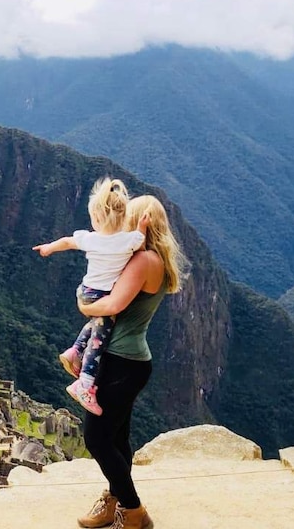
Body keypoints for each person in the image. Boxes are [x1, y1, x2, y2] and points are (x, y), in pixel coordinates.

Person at [74, 194, 187, 529]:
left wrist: (85, 307)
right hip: (128, 361)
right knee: (117, 438)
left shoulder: (143, 262)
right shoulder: (157, 260)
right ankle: (114, 500)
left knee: (96, 438)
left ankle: (133, 510)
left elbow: (111, 305)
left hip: (122, 363)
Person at [33, 177, 146, 415]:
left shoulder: (89, 238)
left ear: (95, 217)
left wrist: (48, 247)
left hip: (86, 292)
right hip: (105, 298)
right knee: (99, 340)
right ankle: (84, 384)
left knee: (95, 323)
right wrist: (142, 226)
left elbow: (66, 241)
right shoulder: (128, 241)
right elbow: (141, 240)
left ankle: (73, 351)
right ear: (123, 217)